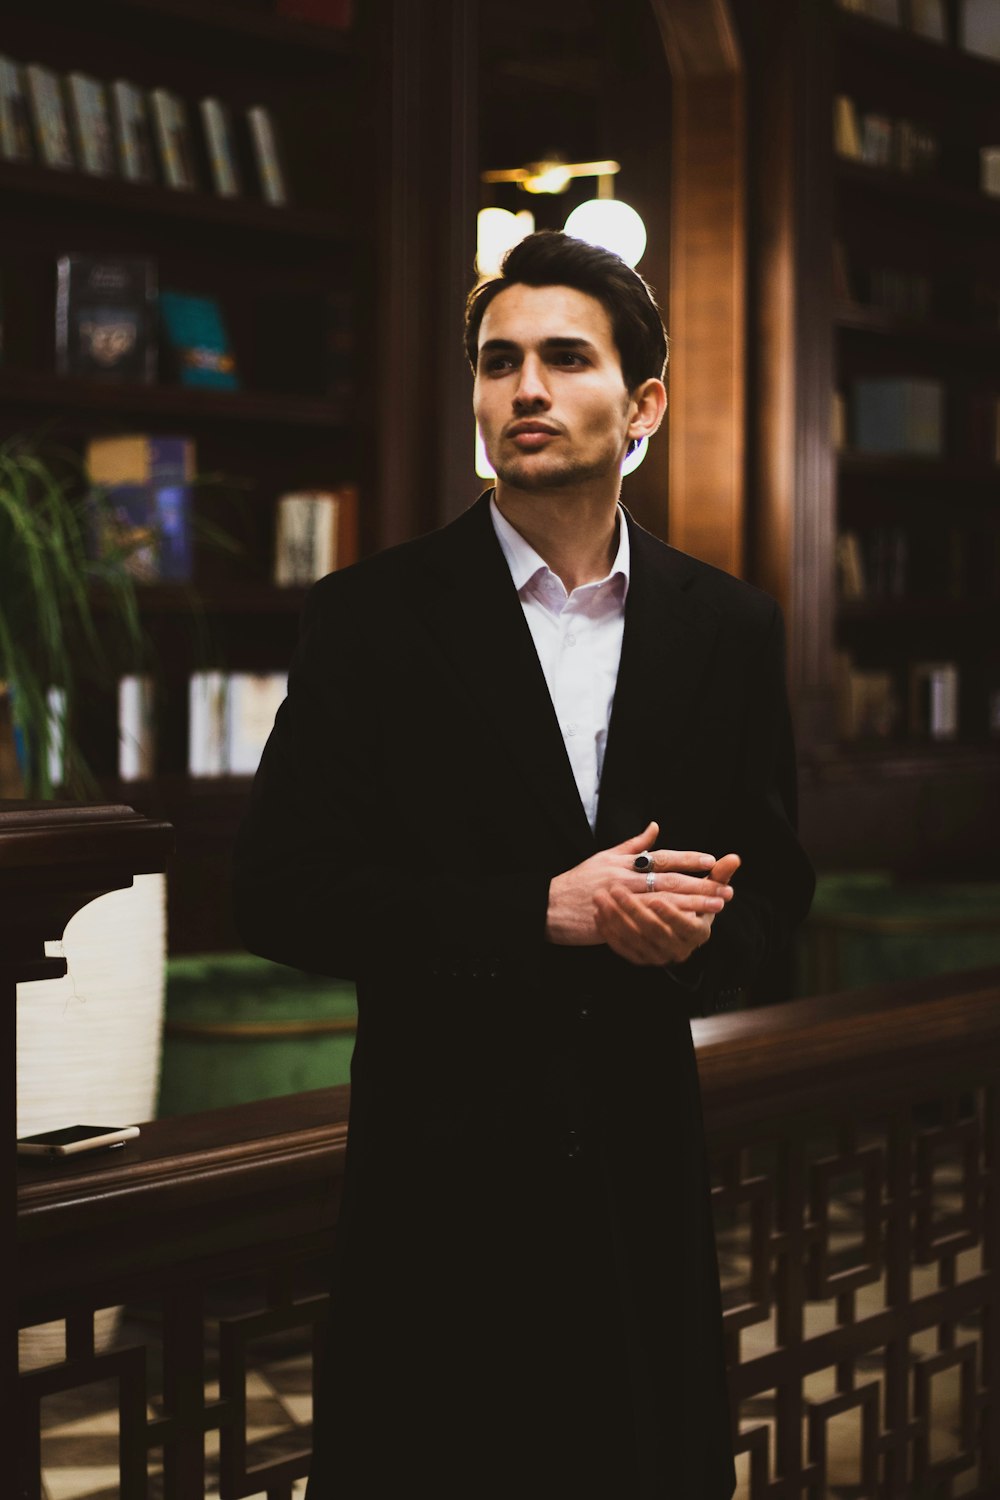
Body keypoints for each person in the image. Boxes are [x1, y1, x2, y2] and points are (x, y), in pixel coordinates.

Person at [233, 230, 815, 1499]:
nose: (525, 390)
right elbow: (276, 887)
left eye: (564, 357)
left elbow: (776, 903)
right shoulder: (371, 616)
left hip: (638, 1194)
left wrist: (703, 934)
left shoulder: (728, 628)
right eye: (500, 364)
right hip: (437, 1192)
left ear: (643, 402)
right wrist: (533, 914)